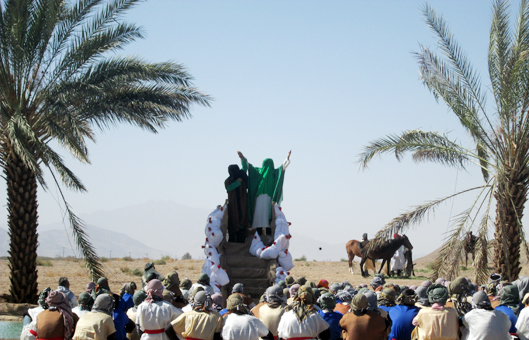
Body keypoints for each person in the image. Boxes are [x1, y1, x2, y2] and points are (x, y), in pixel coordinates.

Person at [237, 150, 291, 234]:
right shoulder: (259, 171)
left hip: (269, 199)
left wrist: (287, 158)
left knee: (268, 218)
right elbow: (249, 167)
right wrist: (243, 158)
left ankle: (267, 236)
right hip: (260, 199)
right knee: (259, 218)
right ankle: (260, 236)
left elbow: (282, 168)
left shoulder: (274, 172)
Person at [225, 164, 249, 243]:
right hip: (233, 205)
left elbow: (245, 168)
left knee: (242, 220)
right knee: (233, 221)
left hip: (242, 204)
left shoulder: (242, 179)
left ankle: (241, 239)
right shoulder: (228, 181)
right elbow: (229, 188)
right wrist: (238, 182)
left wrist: (243, 159)